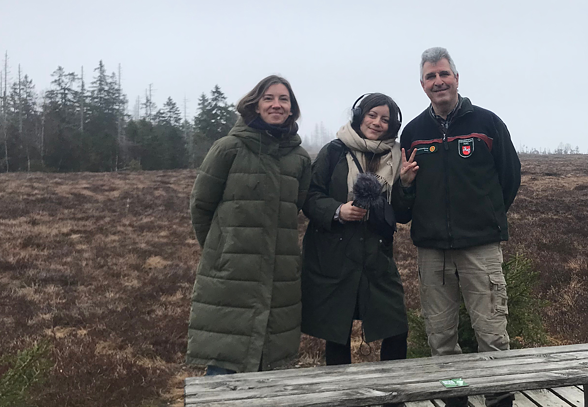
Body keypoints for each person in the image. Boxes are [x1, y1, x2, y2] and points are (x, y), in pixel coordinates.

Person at [396, 47, 521, 407]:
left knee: (493, 334)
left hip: (480, 248)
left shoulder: (487, 124)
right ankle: (456, 402)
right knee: (441, 338)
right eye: (431, 77)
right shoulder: (413, 133)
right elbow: (402, 206)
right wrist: (404, 185)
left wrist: (486, 220)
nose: (438, 82)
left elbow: (509, 179)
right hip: (432, 252)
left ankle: (500, 402)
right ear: (422, 85)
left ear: (456, 78)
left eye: (443, 74)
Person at [186, 75, 312, 375]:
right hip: (231, 277)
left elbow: (296, 209)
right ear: (255, 104)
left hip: (280, 277)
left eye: (284, 99)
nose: (276, 104)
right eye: (269, 98)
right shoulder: (228, 148)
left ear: (292, 109)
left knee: (272, 370)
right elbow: (201, 206)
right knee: (225, 367)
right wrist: (220, 252)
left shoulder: (300, 158)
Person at [301, 93, 418, 374]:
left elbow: (401, 214)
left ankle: (393, 399)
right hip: (335, 256)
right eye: (372, 115)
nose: (377, 123)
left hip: (377, 258)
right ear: (359, 116)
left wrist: (405, 184)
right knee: (336, 332)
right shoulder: (334, 151)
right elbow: (309, 197)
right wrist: (339, 210)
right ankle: (343, 398)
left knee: (396, 328)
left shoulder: (396, 156)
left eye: (385, 119)